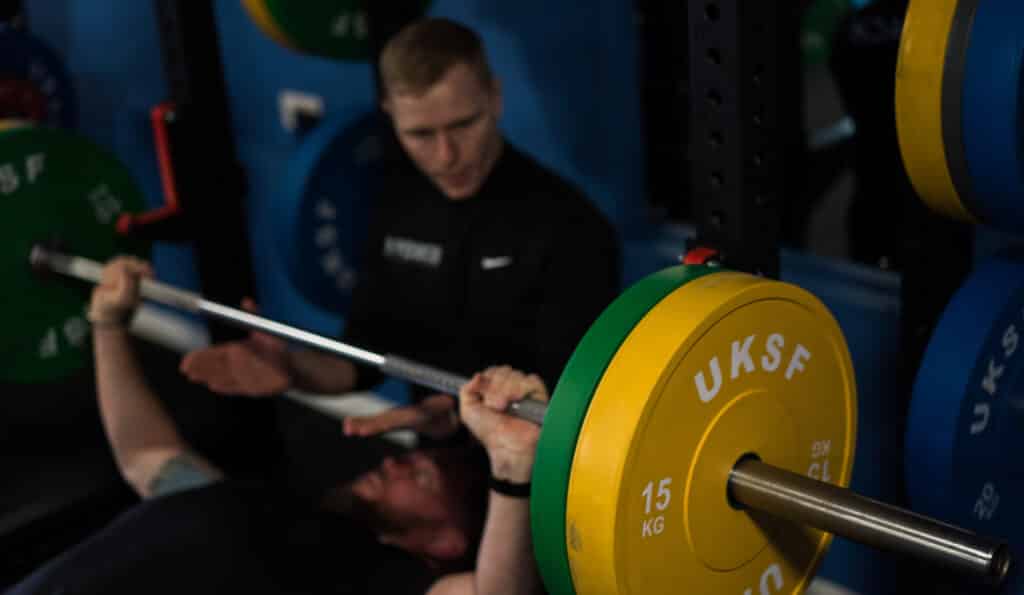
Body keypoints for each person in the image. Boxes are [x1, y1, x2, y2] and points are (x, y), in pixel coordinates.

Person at [179, 17, 620, 439]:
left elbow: (568, 409)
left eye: (464, 124)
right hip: (426, 444)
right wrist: (294, 371)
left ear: (496, 98)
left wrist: (455, 417)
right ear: (390, 116)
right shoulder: (395, 200)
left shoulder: (571, 228)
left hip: (535, 475)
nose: (446, 156)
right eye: (421, 135)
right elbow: (365, 353)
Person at [6, 258, 545, 595]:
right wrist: (108, 325)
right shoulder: (263, 508)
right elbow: (146, 456)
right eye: (412, 459)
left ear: (449, 541)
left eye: (424, 479)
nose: (398, 458)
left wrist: (511, 468)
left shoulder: (368, 576)